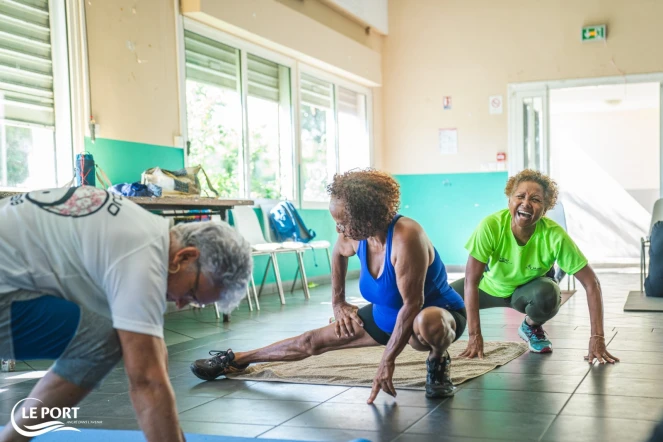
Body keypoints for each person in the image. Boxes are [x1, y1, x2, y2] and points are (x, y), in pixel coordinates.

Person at [0, 186, 252, 442]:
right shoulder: (142, 258)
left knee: (117, 338)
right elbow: (147, 382)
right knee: (105, 339)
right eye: (191, 295)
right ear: (185, 257)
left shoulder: (143, 231)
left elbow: (156, 354)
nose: (179, 304)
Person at [190, 169, 466, 403]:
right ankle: (237, 360)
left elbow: (412, 304)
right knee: (310, 341)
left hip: (435, 315)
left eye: (342, 222)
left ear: (366, 218)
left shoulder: (407, 236)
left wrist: (387, 360)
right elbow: (337, 253)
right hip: (387, 318)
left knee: (427, 321)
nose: (338, 229)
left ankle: (438, 362)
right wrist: (339, 302)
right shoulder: (358, 237)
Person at [452, 169, 619, 364]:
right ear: (509, 201)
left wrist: (597, 338)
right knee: (440, 301)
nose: (526, 203)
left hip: (528, 291)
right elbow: (471, 281)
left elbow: (592, 283)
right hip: (489, 287)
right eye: (520, 196)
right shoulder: (491, 226)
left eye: (536, 199)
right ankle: (445, 339)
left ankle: (531, 327)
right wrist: (474, 335)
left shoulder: (554, 235)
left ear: (546, 207)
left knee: (548, 293)